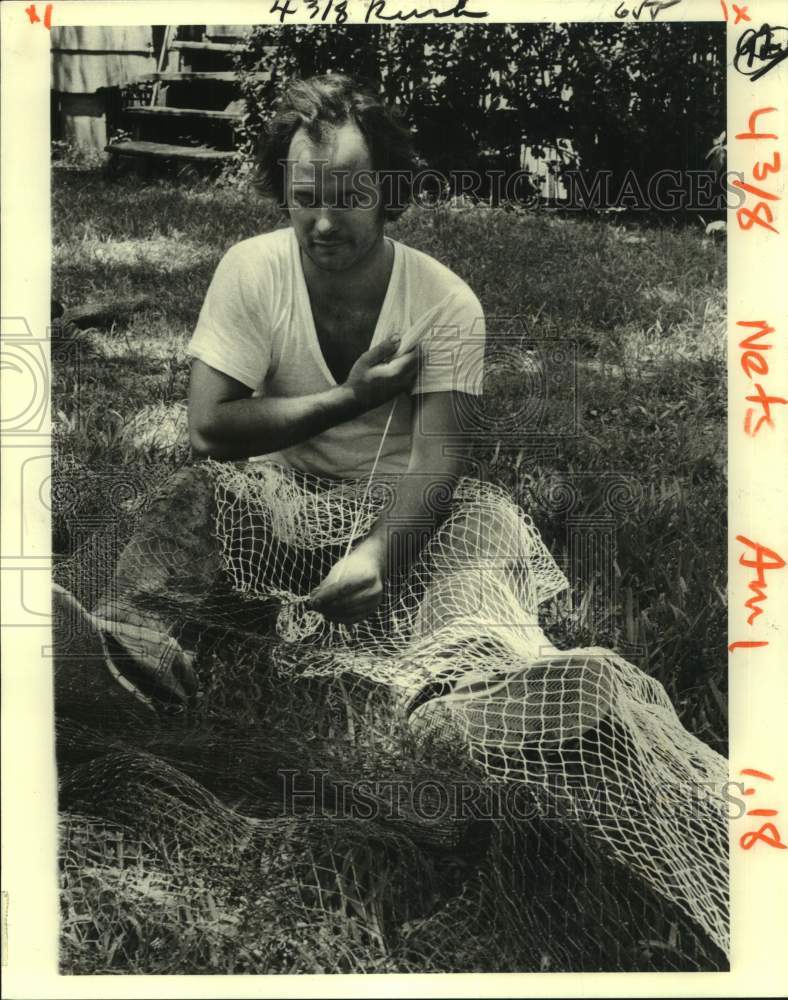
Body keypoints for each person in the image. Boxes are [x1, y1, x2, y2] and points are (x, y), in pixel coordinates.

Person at [187, 73, 487, 628]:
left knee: (476, 543)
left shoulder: (446, 302)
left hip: (393, 514)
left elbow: (437, 463)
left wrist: (376, 556)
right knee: (185, 501)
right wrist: (350, 397)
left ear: (390, 194)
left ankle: (470, 688)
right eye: (305, 199)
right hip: (270, 505)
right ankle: (123, 645)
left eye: (350, 199)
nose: (323, 224)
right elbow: (207, 431)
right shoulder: (252, 268)